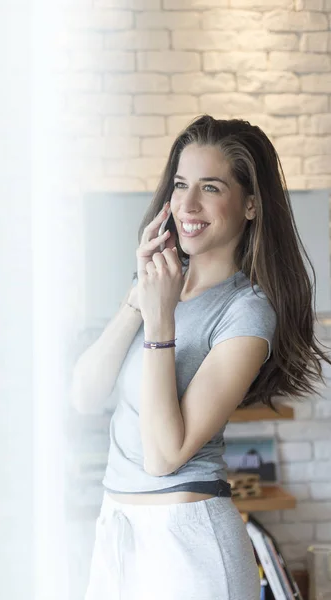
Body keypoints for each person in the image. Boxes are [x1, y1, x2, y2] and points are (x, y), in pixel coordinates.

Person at [70, 114, 331, 600]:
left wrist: (162, 318)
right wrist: (141, 294)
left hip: (187, 542)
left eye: (210, 187)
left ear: (250, 205)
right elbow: (84, 395)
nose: (187, 203)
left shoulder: (247, 312)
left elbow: (164, 456)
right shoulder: (156, 285)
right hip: (119, 534)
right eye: (181, 184)